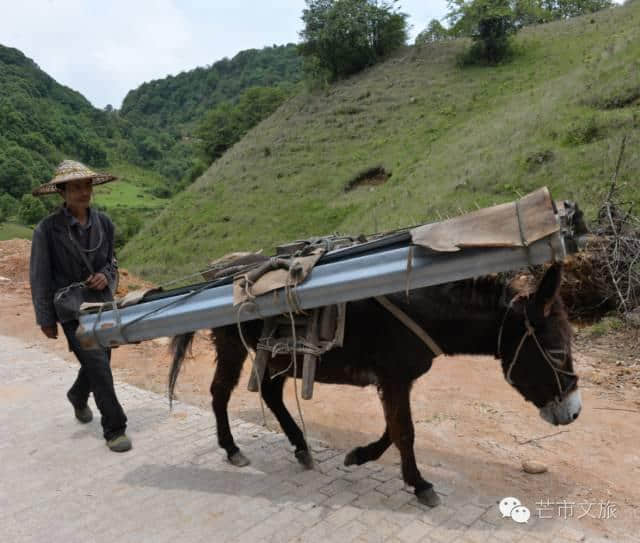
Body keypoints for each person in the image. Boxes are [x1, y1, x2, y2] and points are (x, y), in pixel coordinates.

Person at [29, 160, 131, 452]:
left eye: (86, 185)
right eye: (76, 187)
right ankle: (115, 428)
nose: (84, 191)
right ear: (62, 192)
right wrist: (45, 318)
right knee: (98, 365)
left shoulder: (105, 224)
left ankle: (77, 395)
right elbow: (39, 277)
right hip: (71, 308)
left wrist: (106, 276)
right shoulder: (46, 231)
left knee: (101, 362)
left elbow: (112, 262)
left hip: (101, 304)